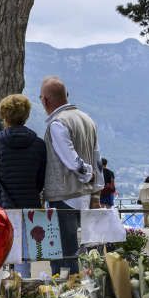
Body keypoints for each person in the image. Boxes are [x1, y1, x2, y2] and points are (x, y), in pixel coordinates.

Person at [39, 75, 102, 274]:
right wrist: (96, 191)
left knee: (64, 252)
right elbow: (97, 157)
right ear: (66, 95)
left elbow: (72, 160)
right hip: (85, 195)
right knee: (80, 249)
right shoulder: (87, 119)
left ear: (45, 100)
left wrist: (87, 173)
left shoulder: (57, 123)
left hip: (64, 195)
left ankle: (68, 294)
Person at [0, 94, 47, 209]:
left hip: (1, 207)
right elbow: (40, 181)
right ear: (26, 115)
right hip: (30, 205)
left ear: (4, 115)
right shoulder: (39, 144)